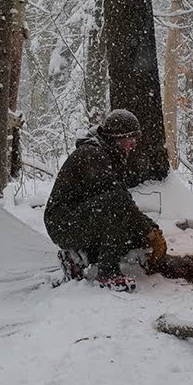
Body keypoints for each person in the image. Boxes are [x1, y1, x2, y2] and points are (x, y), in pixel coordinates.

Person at [44, 109, 167, 292]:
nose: (134, 143)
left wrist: (151, 232)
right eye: (130, 138)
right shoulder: (93, 155)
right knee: (116, 206)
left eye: (135, 137)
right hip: (62, 223)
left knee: (130, 231)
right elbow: (119, 202)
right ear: (116, 137)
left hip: (78, 219)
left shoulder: (109, 154)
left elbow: (123, 206)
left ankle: (79, 257)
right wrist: (150, 232)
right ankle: (107, 274)